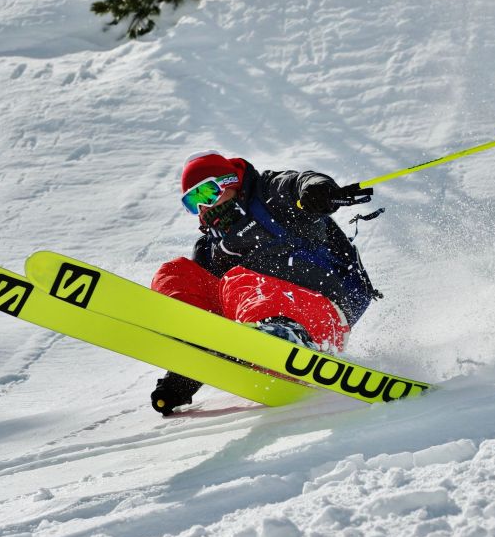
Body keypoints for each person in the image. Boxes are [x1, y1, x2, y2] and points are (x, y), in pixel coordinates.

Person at [150, 150, 381, 415]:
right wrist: (184, 377)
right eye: (192, 203)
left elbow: (300, 182)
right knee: (175, 273)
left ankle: (286, 337)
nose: (202, 208)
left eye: (205, 194)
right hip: (254, 325)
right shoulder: (211, 248)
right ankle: (193, 345)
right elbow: (212, 314)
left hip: (322, 309)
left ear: (230, 182)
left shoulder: (270, 194)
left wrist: (317, 191)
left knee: (239, 279)